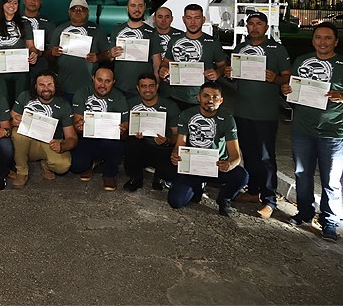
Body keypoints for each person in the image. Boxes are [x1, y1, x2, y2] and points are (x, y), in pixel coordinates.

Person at [281, 22, 343, 242]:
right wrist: (286, 90)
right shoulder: (302, 61)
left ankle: (330, 222)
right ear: (313, 40)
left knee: (331, 180)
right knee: (302, 174)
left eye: (328, 38)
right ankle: (305, 213)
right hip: (302, 129)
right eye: (318, 37)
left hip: (332, 133)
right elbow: (292, 91)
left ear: (336, 42)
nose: (323, 42)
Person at [224, 12, 291, 219]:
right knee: (249, 154)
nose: (254, 28)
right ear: (246, 27)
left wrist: (276, 78)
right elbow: (234, 76)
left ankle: (270, 199)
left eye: (258, 24)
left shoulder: (277, 49)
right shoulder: (240, 48)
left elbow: (288, 79)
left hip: (265, 114)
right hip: (243, 111)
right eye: (251, 24)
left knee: (266, 157)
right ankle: (253, 191)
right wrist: (230, 74)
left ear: (266, 27)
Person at [168, 81, 248, 217]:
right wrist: (175, 155)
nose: (210, 100)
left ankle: (224, 199)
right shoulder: (187, 115)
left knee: (242, 176)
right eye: (206, 96)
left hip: (216, 166)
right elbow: (180, 144)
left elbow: (235, 155)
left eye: (215, 97)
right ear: (198, 98)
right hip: (192, 166)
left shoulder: (228, 119)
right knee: (175, 202)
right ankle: (197, 187)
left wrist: (229, 165)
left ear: (221, 100)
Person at [10, 71, 77, 188]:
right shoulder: (24, 96)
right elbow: (10, 121)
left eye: (50, 84)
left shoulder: (64, 105)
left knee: (63, 166)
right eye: (42, 85)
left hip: (50, 142)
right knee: (17, 133)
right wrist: (13, 122)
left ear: (55, 85)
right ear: (35, 86)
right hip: (27, 142)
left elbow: (72, 138)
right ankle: (21, 171)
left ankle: (46, 164)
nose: (46, 88)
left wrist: (62, 146)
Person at [159, 4, 227, 111]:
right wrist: (163, 69)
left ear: (203, 20)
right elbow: (166, 62)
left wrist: (218, 73)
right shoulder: (174, 40)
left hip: (202, 99)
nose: (193, 22)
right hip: (176, 97)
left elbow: (223, 66)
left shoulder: (213, 43)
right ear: (183, 19)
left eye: (197, 18)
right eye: (189, 18)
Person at [70, 68, 128, 191]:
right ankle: (91, 162)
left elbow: (125, 128)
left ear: (113, 82)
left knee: (115, 146)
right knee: (76, 167)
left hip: (109, 139)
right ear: (93, 79)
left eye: (107, 81)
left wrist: (123, 130)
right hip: (87, 136)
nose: (103, 85)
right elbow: (77, 123)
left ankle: (109, 173)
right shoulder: (82, 93)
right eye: (99, 80)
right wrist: (79, 125)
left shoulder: (119, 97)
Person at [122, 72, 180, 192]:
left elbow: (177, 135)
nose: (148, 90)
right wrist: (129, 133)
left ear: (157, 86)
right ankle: (135, 178)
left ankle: (160, 177)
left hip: (163, 149)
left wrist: (167, 140)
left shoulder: (171, 106)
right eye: (143, 86)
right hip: (141, 146)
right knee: (131, 143)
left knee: (172, 171)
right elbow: (124, 130)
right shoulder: (130, 104)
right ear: (138, 88)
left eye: (151, 86)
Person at [46, 0, 109, 102]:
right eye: (74, 9)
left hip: (89, 86)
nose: (78, 12)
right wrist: (52, 53)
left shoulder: (98, 30)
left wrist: (97, 57)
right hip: (64, 85)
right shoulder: (59, 29)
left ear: (88, 12)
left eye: (82, 9)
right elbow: (48, 56)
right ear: (69, 12)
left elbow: (107, 55)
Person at [0, 0, 38, 109]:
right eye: (8, 2)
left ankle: (17, 127)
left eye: (15, 3)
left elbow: (31, 46)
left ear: (19, 5)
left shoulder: (25, 24)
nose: (11, 6)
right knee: (3, 104)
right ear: (2, 4)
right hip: (0, 72)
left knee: (20, 104)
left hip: (21, 71)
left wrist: (34, 53)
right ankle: (4, 126)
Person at [103, 0, 163, 98]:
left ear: (145, 7)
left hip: (143, 90)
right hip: (119, 88)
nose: (137, 9)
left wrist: (156, 87)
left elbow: (157, 64)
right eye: (133, 5)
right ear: (127, 8)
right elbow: (109, 58)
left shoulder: (152, 33)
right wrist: (110, 54)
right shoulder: (117, 31)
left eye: (140, 6)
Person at [152, 6, 184, 99]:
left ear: (172, 19)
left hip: (175, 82)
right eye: (160, 17)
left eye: (167, 17)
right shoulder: (147, 34)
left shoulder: (181, 36)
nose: (163, 20)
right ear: (154, 18)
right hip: (151, 81)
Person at [22, 0, 55, 78]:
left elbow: (53, 46)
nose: (33, 2)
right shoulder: (14, 20)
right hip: (17, 63)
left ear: (40, 2)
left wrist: (42, 52)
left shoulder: (48, 23)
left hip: (40, 65)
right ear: (24, 1)